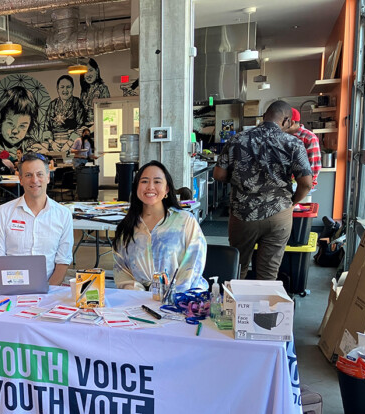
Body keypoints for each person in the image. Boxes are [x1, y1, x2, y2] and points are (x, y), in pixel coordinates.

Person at [213, 100, 313, 280]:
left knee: (237, 268)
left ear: (264, 116)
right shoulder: (293, 143)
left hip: (243, 214)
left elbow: (219, 174)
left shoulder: (237, 139)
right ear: (287, 121)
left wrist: (237, 180)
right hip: (278, 213)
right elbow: (306, 183)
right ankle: (263, 298)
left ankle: (236, 297)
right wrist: (292, 202)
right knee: (268, 273)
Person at [113, 161, 208, 292]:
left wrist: (172, 294)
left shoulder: (185, 221)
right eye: (144, 181)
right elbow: (122, 270)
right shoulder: (127, 226)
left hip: (182, 296)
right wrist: (139, 294)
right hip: (139, 298)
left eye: (157, 182)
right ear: (136, 187)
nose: (150, 187)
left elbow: (194, 264)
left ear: (167, 189)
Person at [0, 152, 73, 285]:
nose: (34, 180)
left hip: (49, 288)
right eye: (28, 175)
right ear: (21, 179)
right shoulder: (3, 212)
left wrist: (46, 291)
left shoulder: (63, 214)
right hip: (11, 288)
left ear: (48, 177)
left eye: (40, 174)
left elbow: (63, 261)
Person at [0, 86, 41, 155]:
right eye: (10, 123)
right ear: (1, 121)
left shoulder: (30, 144)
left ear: (29, 126)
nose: (15, 131)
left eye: (22, 126)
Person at [45, 75, 85, 152]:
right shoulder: (52, 104)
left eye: (68, 87)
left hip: (72, 143)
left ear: (72, 88)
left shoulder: (77, 103)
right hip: (54, 145)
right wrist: (52, 143)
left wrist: (69, 143)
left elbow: (81, 126)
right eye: (62, 87)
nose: (65, 90)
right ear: (58, 89)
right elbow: (46, 126)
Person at [287, 108, 321, 188]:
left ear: (291, 123)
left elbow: (314, 167)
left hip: (300, 186)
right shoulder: (284, 137)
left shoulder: (309, 137)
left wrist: (306, 187)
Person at [80, 58, 111, 127]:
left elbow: (106, 113)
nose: (88, 74)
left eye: (90, 70)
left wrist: (91, 129)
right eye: (85, 72)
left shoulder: (102, 89)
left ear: (96, 71)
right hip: (85, 128)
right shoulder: (84, 92)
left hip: (98, 127)